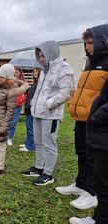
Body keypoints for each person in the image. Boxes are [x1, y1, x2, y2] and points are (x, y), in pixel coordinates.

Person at [56, 24, 108, 210]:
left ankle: (91, 192)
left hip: (96, 120)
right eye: (85, 43)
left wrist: (96, 115)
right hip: (80, 119)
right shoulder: (89, 64)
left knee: (93, 158)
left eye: (91, 43)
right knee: (82, 153)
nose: (87, 47)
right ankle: (80, 184)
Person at [22, 40, 75, 186]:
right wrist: (34, 104)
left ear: (51, 53)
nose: (40, 59)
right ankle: (39, 168)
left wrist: (48, 104)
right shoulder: (44, 71)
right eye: (38, 56)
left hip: (51, 115)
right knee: (38, 141)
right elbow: (39, 91)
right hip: (38, 112)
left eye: (42, 55)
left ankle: (48, 173)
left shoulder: (64, 68)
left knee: (49, 144)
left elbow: (68, 91)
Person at [66, 78, 108, 224]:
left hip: (103, 128)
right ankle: (98, 221)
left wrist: (96, 115)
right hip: (101, 131)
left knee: (104, 185)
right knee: (101, 182)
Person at [0, 64, 28, 175]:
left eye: (2, 77)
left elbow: (10, 111)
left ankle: (0, 167)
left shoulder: (11, 91)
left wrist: (4, 125)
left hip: (1, 122)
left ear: (8, 78)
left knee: (0, 145)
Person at [19, 67, 41, 152]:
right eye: (34, 71)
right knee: (29, 127)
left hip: (32, 109)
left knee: (31, 128)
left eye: (36, 71)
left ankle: (31, 147)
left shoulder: (40, 83)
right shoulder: (35, 83)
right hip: (29, 109)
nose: (34, 73)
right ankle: (28, 143)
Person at [7, 66, 27, 146]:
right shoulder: (9, 81)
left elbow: (25, 93)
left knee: (14, 122)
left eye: (16, 72)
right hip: (9, 105)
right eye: (14, 71)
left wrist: (22, 99)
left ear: (20, 73)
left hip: (17, 106)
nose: (15, 73)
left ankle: (9, 138)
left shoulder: (22, 82)